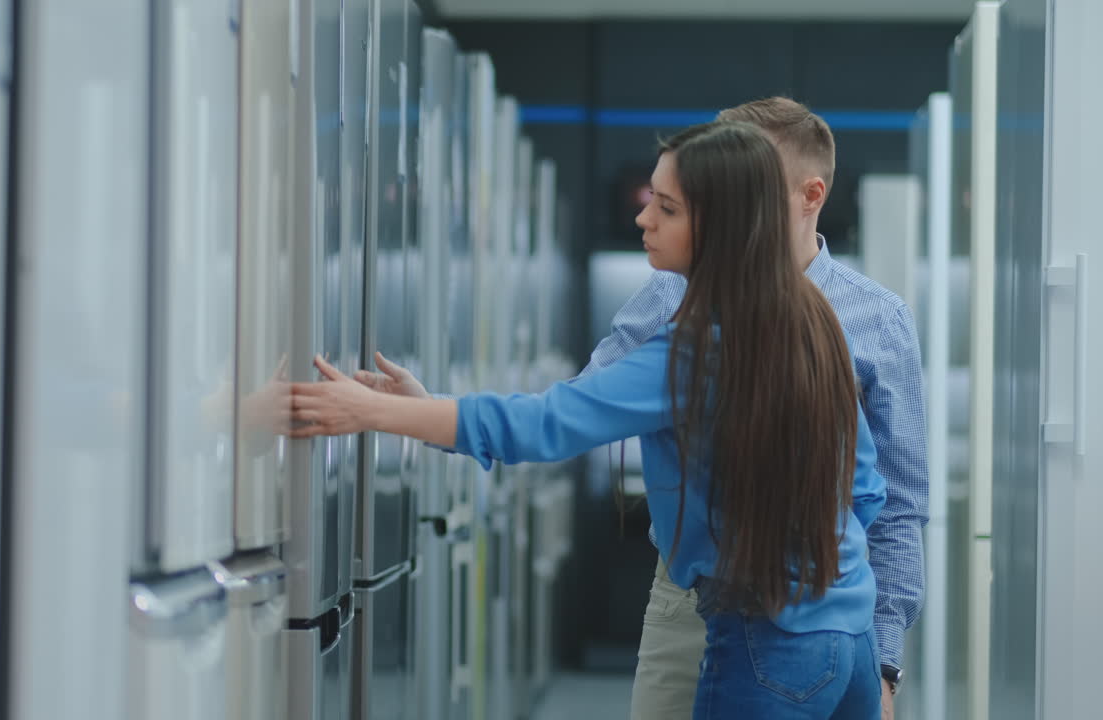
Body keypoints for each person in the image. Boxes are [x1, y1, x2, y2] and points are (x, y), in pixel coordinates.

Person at [343, 97, 928, 720]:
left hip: (759, 629)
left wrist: (374, 412)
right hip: (842, 631)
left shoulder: (701, 345)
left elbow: (555, 424)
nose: (643, 220)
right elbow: (863, 490)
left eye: (667, 206)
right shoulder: (813, 322)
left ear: (727, 218)